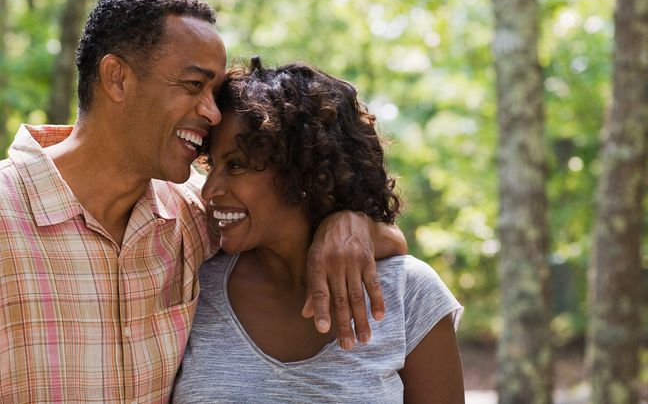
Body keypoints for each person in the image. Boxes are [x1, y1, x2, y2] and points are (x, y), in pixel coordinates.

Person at [0, 0, 407, 403]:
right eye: (194, 86)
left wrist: (349, 222)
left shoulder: (190, 218)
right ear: (116, 79)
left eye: (215, 92)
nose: (213, 113)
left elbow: (296, 220)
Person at [172, 58, 464, 403]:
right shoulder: (193, 284)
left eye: (235, 165)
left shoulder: (409, 292)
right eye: (213, 165)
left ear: (307, 173)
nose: (209, 191)